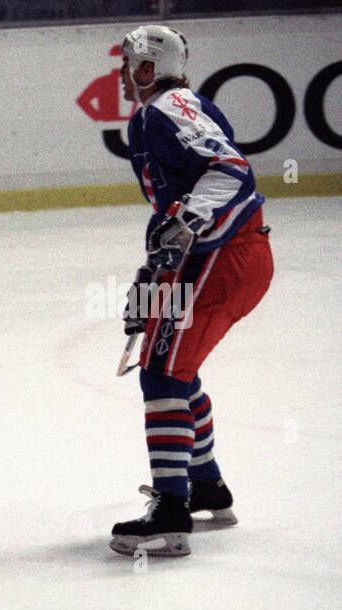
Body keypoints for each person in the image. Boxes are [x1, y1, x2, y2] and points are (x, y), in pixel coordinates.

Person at [110, 25, 273, 558]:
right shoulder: (167, 109)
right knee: (178, 369)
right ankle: (207, 487)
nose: (122, 72)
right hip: (215, 257)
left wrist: (188, 224)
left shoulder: (168, 109)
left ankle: (171, 511)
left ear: (149, 68)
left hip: (226, 258)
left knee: (162, 374)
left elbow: (232, 173)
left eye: (129, 62)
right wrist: (154, 274)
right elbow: (174, 208)